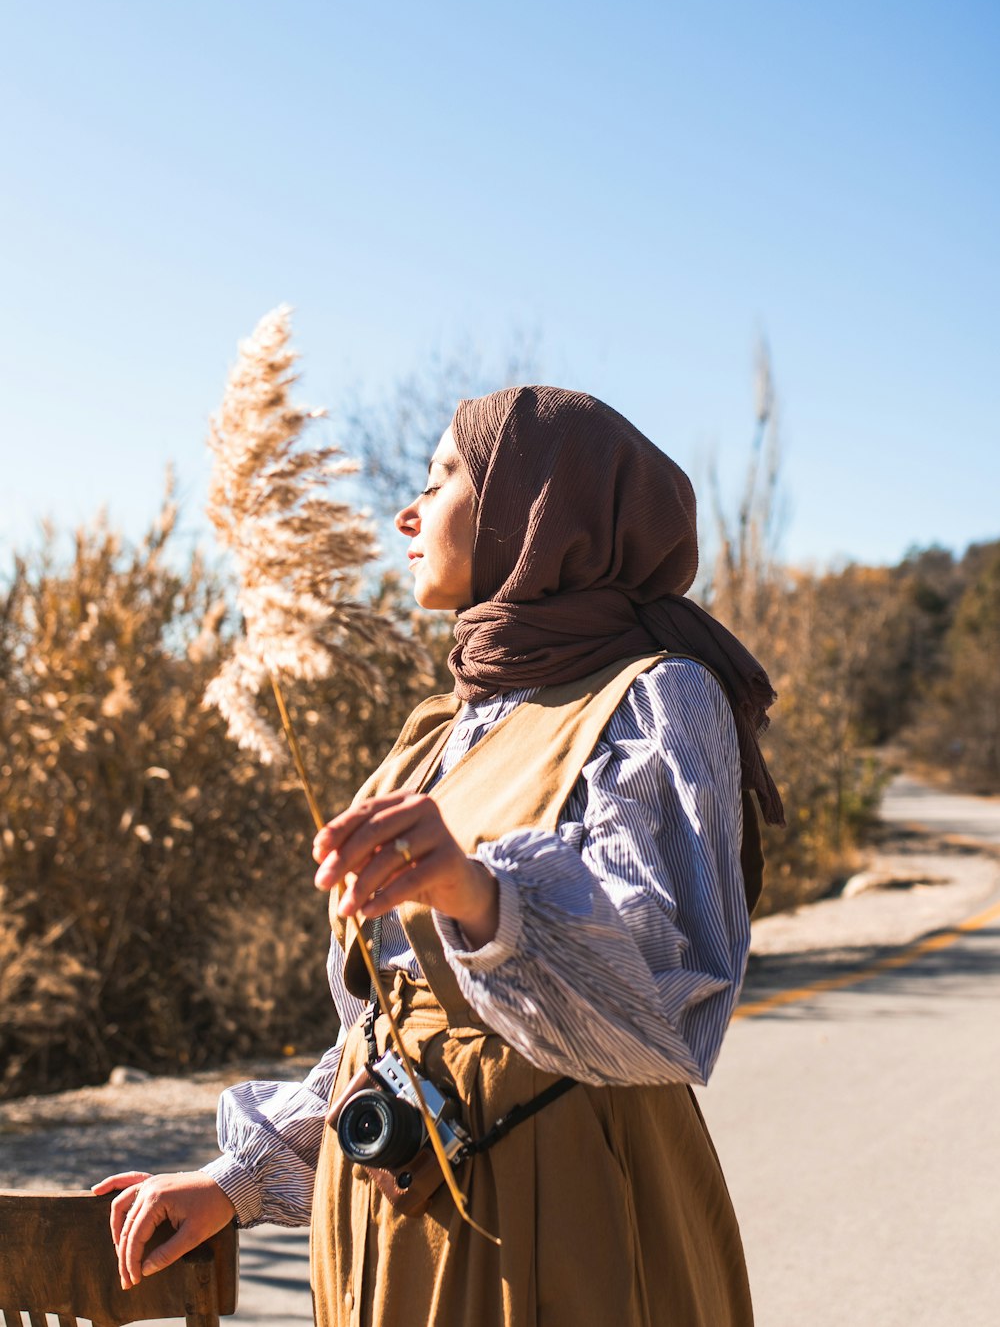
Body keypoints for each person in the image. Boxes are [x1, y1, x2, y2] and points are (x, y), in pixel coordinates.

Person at [96, 385, 782, 1326]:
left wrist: (480, 891)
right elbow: (385, 1030)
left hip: (563, 1220)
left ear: (534, 507)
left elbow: (666, 997)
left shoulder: (658, 699)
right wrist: (235, 1181)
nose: (407, 512)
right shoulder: (437, 734)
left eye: (445, 476)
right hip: (389, 1231)